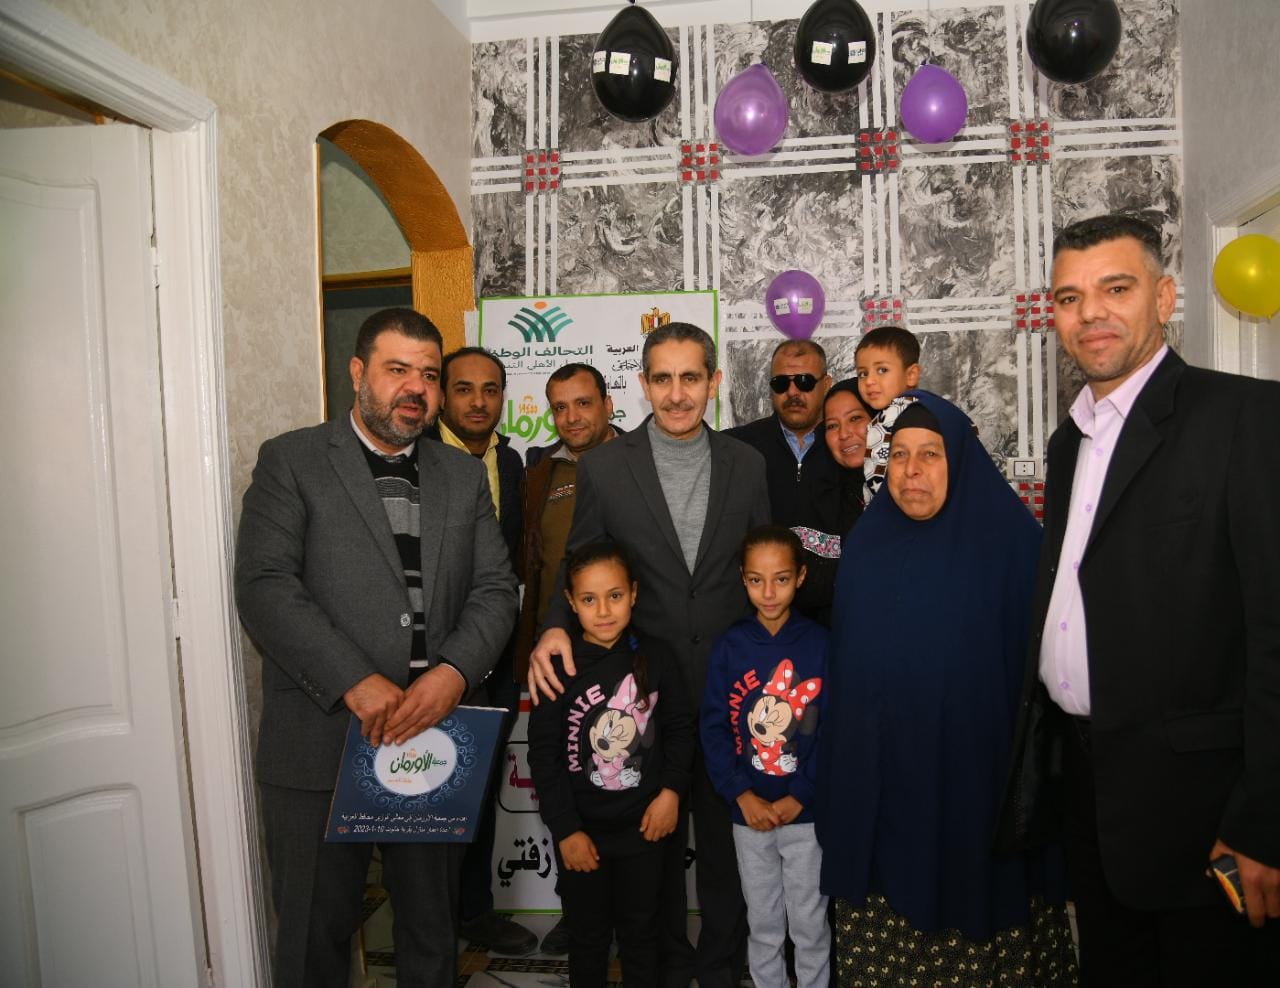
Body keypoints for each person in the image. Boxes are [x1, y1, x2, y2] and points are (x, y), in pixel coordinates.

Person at [998, 213, 1280, 985]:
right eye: (1069, 297)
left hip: (1205, 813)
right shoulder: (1070, 442)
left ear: (1164, 297)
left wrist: (1264, 822)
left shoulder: (1245, 419)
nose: (1090, 313)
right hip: (1091, 792)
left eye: (1115, 289)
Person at [235, 307, 518, 987]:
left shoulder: (461, 474)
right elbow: (265, 586)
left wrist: (453, 675)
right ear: (358, 372)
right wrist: (355, 682)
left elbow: (495, 589)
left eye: (428, 374)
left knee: (431, 936)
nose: (415, 387)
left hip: (434, 737)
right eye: (398, 370)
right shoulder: (292, 459)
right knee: (313, 938)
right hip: (321, 741)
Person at [528, 322, 770, 988]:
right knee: (651, 850)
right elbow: (579, 562)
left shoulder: (748, 465)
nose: (677, 393)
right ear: (642, 385)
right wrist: (554, 628)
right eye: (662, 378)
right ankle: (663, 968)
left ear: (714, 382)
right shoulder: (606, 467)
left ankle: (719, 968)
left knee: (723, 847)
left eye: (691, 377)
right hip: (640, 695)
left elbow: (762, 570)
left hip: (727, 689)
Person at [818, 391, 1077, 987]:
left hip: (977, 788)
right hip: (886, 789)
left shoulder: (1014, 547)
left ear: (960, 460)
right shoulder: (866, 548)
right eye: (899, 454)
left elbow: (1041, 684)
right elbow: (848, 676)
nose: (911, 471)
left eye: (930, 454)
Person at [527, 540, 694, 987]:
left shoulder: (656, 657)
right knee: (587, 939)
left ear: (633, 593)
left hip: (645, 831)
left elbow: (680, 729)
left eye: (614, 595)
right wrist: (566, 830)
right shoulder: (557, 668)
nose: (603, 611)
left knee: (642, 935)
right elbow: (543, 755)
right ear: (570, 602)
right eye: (589, 599)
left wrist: (671, 793)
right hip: (583, 835)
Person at [518, 362, 625, 955]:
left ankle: (634, 918)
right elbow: (533, 562)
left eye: (583, 403)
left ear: (608, 404)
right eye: (560, 407)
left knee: (625, 775)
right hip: (560, 651)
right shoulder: (541, 472)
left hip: (625, 651)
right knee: (569, 782)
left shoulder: (637, 459)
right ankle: (578, 913)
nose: (572, 417)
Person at [434, 346, 537, 956]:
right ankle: (431, 922)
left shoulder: (513, 461)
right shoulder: (419, 457)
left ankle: (473, 911)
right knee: (431, 789)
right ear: (442, 397)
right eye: (464, 389)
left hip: (496, 658)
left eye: (490, 389)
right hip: (433, 662)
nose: (478, 402)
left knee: (480, 788)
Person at [700, 525, 830, 988]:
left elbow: (833, 731)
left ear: (801, 577)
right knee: (764, 922)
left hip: (805, 816)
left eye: (781, 579)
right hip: (749, 816)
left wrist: (802, 794)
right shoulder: (730, 646)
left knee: (810, 924)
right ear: (743, 578)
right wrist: (742, 795)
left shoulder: (820, 644)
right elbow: (713, 727)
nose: (769, 592)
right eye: (756, 580)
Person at [726, 341, 842, 622]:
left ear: (826, 384)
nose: (792, 392)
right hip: (757, 621)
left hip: (836, 618)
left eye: (804, 382)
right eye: (781, 383)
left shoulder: (848, 448)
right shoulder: (738, 448)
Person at [794, 379, 875, 620]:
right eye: (832, 425)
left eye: (855, 418)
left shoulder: (910, 490)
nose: (844, 434)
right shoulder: (819, 496)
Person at [853, 326, 923, 502]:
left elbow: (878, 486)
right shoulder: (929, 408)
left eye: (882, 370)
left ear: (911, 375)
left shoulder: (892, 418)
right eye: (862, 373)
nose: (869, 380)